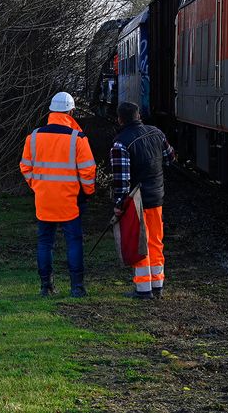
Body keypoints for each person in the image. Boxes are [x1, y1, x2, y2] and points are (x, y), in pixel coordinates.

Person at [20, 92, 97, 298]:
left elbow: (25, 167)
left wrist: (37, 187)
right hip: (70, 201)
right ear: (71, 112)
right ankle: (77, 288)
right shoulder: (78, 139)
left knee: (45, 243)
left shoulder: (33, 137)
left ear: (51, 112)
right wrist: (87, 193)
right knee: (74, 242)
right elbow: (88, 171)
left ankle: (46, 287)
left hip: (44, 200)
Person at [110, 102, 175, 300]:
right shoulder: (156, 133)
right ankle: (158, 285)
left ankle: (143, 289)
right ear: (139, 116)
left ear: (120, 119)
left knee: (140, 243)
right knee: (156, 241)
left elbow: (122, 181)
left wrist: (119, 204)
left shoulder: (121, 143)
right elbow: (170, 158)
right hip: (157, 197)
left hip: (136, 201)